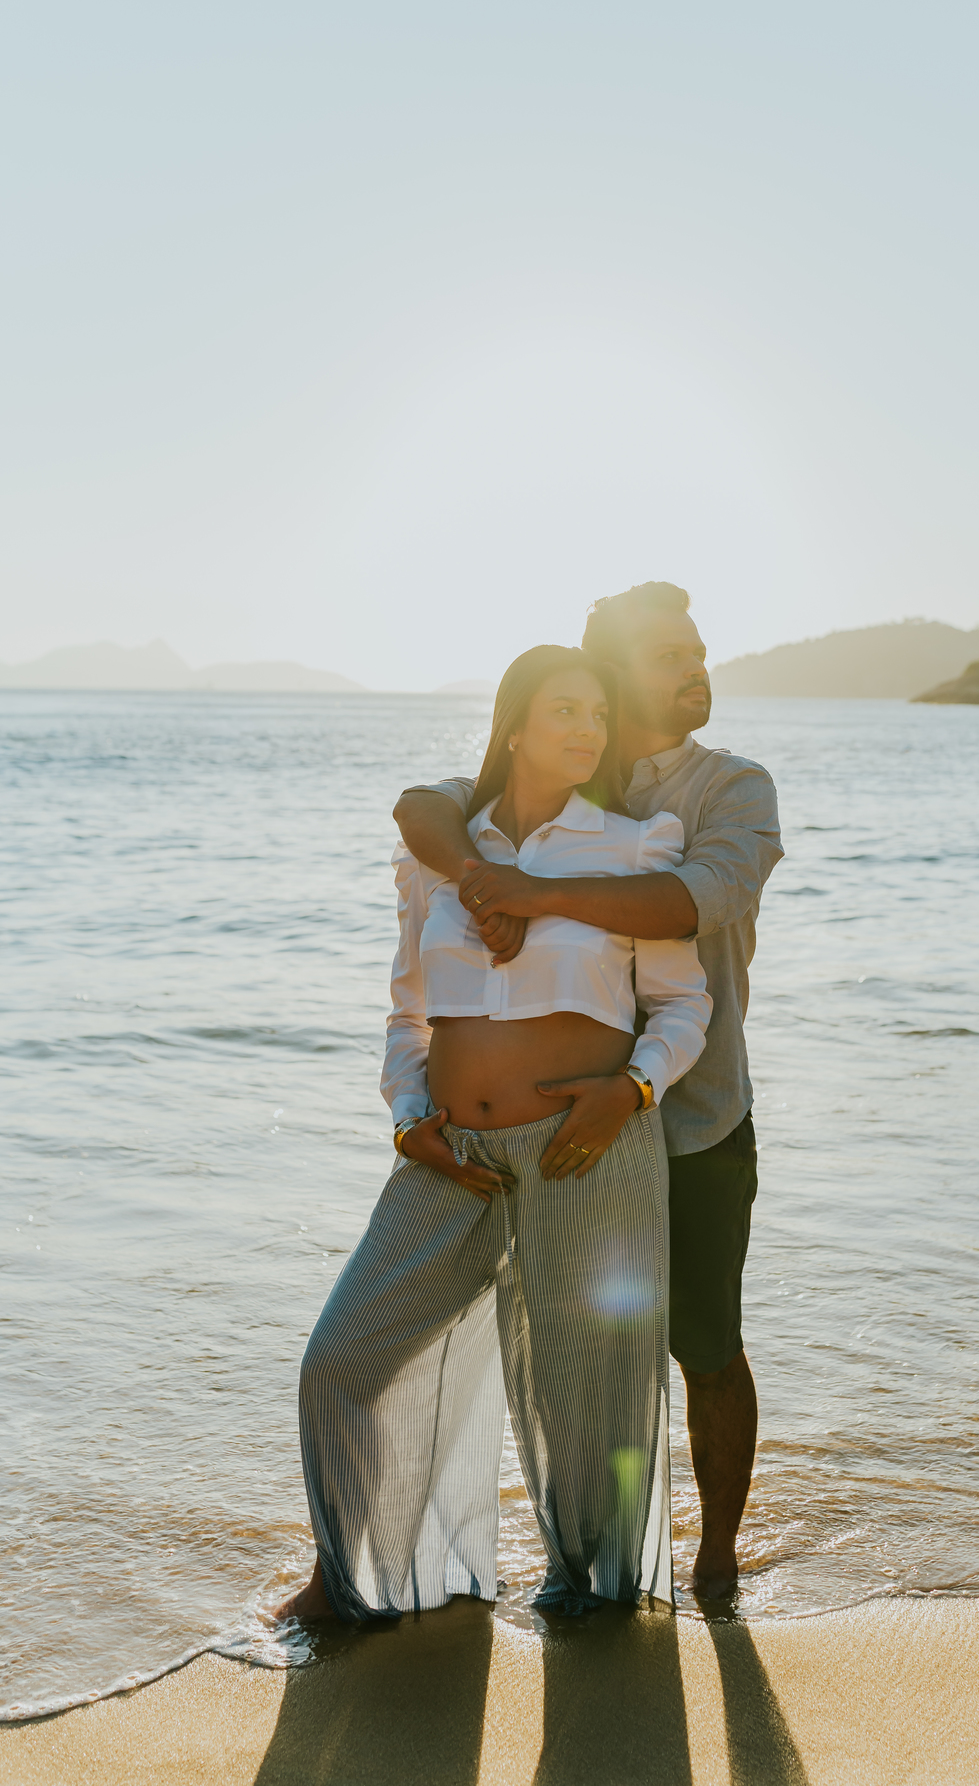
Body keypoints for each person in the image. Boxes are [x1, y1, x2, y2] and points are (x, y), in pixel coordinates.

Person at [279, 644, 711, 1623]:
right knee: (341, 1359)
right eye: (565, 709)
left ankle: (594, 1602)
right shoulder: (443, 853)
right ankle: (355, 1581)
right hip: (454, 1157)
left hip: (586, 1146)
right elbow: (407, 1014)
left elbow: (686, 1005)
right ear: (514, 722)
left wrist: (632, 1092)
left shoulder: (637, 845)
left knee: (579, 1402)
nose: (587, 730)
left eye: (598, 716)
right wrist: (405, 1119)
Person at [396, 582, 783, 1597]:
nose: (695, 667)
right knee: (582, 1361)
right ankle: (591, 1563)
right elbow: (429, 807)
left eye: (698, 649)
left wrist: (528, 892)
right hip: (547, 1129)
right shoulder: (560, 773)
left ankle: (712, 1558)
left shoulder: (730, 787)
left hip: (693, 1120)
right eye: (668, 654)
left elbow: (693, 900)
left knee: (704, 1346)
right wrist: (482, 877)